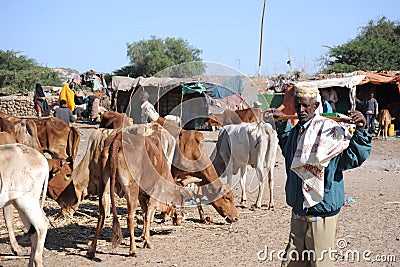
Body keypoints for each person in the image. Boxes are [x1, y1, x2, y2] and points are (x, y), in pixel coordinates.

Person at [267, 84, 372, 266]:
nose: (301, 110)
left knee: (320, 263)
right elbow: (287, 149)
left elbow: (353, 157)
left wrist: (362, 129)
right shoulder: (296, 133)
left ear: (315, 106)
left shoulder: (331, 133)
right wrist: (281, 122)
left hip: (322, 214)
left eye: (306, 106)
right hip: (299, 213)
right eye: (298, 105)